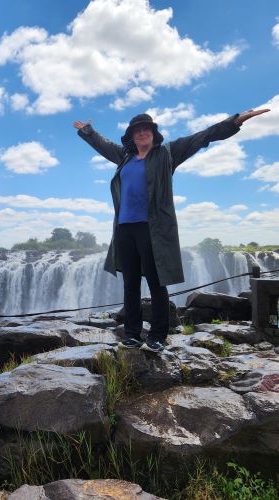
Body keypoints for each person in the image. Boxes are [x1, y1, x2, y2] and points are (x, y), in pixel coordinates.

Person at [74, 108, 269, 352]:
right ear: (131, 136)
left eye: (146, 129)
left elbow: (202, 136)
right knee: (131, 283)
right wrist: (88, 131)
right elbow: (103, 145)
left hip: (152, 228)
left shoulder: (167, 154)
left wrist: (235, 121)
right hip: (124, 229)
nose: (142, 133)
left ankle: (157, 335)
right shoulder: (124, 157)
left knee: (157, 282)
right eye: (137, 130)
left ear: (154, 134)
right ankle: (132, 334)